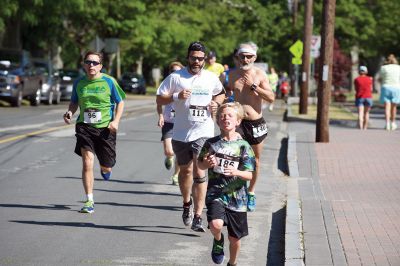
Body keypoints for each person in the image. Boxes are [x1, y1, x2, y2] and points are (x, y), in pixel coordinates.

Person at [156, 41, 225, 232]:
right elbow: (159, 98)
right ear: (188, 57)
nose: (197, 62)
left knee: (200, 172)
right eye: (194, 58)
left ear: (204, 60)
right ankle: (186, 203)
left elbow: (221, 94)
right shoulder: (175, 78)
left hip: (203, 131)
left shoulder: (211, 78)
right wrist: (177, 97)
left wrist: (216, 104)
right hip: (180, 132)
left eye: (200, 59)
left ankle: (197, 215)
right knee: (185, 172)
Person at [63, 51, 126, 213]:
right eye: (88, 62)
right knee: (87, 162)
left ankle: (105, 167)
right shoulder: (79, 82)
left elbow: (120, 102)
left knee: (107, 167)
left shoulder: (109, 81)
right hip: (85, 127)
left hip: (106, 128)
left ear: (101, 66)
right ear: (84, 64)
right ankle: (89, 200)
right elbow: (74, 102)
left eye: (95, 63)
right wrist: (70, 112)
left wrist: (116, 121)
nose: (91, 65)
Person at [198, 102, 255, 265]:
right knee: (215, 224)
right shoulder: (211, 143)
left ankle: (233, 263)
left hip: (237, 197)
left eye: (230, 115)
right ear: (218, 121)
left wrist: (236, 172)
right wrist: (207, 164)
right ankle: (217, 240)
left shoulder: (244, 146)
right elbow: (199, 164)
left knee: (235, 238)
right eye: (222, 116)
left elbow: (249, 175)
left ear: (237, 121)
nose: (225, 118)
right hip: (216, 192)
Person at [227, 41, 275, 212]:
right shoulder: (232, 75)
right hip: (238, 123)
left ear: (254, 57)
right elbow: (225, 93)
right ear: (238, 57)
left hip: (255, 123)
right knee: (236, 158)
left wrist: (254, 87)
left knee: (255, 160)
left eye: (249, 56)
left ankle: (252, 192)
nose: (245, 59)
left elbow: (271, 97)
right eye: (242, 56)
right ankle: (237, 191)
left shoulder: (260, 74)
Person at [157, 61, 184, 185]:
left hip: (182, 123)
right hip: (168, 122)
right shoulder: (166, 85)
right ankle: (169, 157)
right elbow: (159, 102)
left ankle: (176, 175)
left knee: (180, 152)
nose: (175, 73)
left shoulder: (185, 85)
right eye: (172, 71)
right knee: (169, 151)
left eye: (177, 71)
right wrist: (160, 116)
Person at [379, 54, 400, 130]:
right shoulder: (398, 68)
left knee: (387, 107)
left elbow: (380, 79)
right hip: (396, 88)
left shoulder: (383, 68)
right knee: (394, 107)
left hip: (386, 87)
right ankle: (393, 123)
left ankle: (387, 123)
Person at [354, 66, 373, 130]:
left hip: (360, 97)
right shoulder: (370, 79)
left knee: (360, 113)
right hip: (368, 97)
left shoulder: (356, 79)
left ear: (359, 71)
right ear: (366, 71)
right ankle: (365, 127)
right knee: (367, 113)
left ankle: (360, 127)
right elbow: (371, 89)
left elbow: (356, 89)